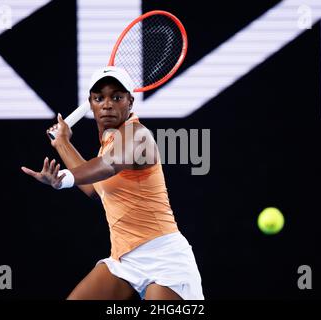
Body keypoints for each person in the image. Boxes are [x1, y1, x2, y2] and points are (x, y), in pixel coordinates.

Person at [21, 66, 204, 300]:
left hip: (165, 259)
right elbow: (94, 189)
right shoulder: (108, 142)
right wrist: (63, 143)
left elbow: (107, 165)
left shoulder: (138, 135)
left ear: (130, 102)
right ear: (91, 104)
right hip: (124, 261)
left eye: (116, 97)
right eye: (99, 98)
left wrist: (63, 178)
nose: (107, 104)